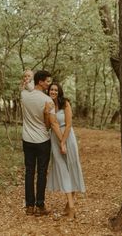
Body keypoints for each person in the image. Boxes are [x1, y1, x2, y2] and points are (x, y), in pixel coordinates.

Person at [21, 70, 66, 217]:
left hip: (27, 139)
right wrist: (63, 141)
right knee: (41, 173)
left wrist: (26, 82)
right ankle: (40, 205)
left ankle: (29, 206)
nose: (49, 84)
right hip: (42, 141)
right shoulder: (48, 101)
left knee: (29, 172)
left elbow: (25, 86)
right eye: (47, 81)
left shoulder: (24, 94)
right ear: (40, 82)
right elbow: (50, 125)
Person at [45, 82, 86, 219]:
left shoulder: (65, 103)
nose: (53, 92)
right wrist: (60, 142)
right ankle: (71, 206)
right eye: (51, 89)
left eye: (56, 90)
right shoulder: (48, 104)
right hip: (55, 138)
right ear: (48, 91)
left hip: (68, 138)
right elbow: (53, 124)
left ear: (59, 91)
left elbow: (68, 125)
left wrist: (64, 142)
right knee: (63, 170)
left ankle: (70, 207)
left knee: (72, 168)